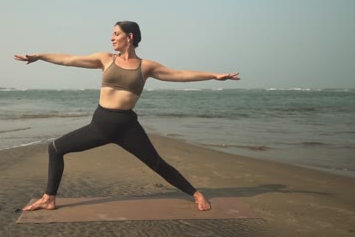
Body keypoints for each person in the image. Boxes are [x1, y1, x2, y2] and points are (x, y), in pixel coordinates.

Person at [14, 21, 239, 212]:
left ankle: (196, 193)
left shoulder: (146, 66)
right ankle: (49, 198)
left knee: (157, 164)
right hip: (100, 125)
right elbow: (69, 59)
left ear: (129, 37)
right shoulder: (105, 59)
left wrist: (213, 76)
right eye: (112, 34)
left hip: (127, 127)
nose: (112, 38)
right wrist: (40, 56)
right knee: (55, 148)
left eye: (116, 34)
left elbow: (180, 74)